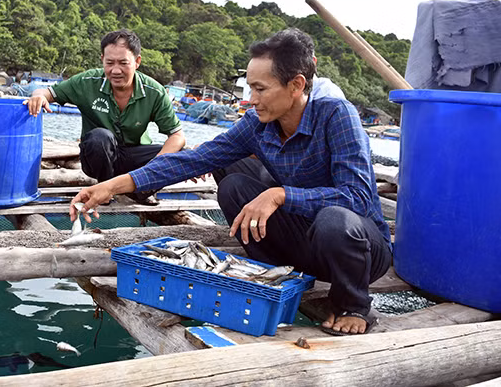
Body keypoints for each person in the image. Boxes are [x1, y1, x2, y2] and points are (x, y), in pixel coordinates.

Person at [70, 28, 391, 336]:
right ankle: (278, 277)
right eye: (250, 88)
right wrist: (110, 186)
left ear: (296, 85)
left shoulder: (336, 115)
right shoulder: (258, 124)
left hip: (357, 248)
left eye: (261, 89)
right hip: (307, 244)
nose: (252, 99)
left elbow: (359, 197)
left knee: (333, 219)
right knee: (235, 186)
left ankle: (354, 304)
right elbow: (193, 160)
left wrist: (281, 195)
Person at [26, 29, 185, 204]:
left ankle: (140, 190)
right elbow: (47, 92)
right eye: (110, 63)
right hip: (98, 156)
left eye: (123, 63)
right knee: (100, 137)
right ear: (102, 59)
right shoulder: (86, 82)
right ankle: (104, 191)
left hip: (133, 159)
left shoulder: (154, 92)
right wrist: (38, 97)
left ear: (137, 61)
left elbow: (177, 136)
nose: (116, 70)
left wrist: (154, 168)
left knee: (181, 154)